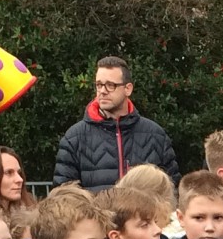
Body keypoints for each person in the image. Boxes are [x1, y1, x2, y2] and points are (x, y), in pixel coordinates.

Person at [54, 56, 179, 191]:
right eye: (99, 85)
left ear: (128, 89)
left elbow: (172, 192)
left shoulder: (156, 135)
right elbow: (64, 197)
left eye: (110, 85)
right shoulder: (74, 138)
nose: (102, 91)